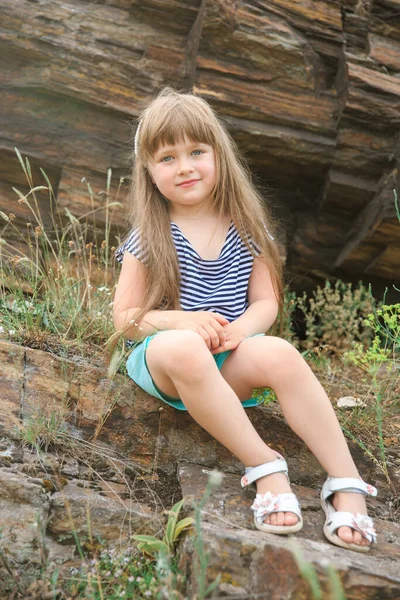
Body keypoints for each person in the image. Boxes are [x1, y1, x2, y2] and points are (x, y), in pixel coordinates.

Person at [113, 87, 377, 552]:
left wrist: (241, 331)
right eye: (167, 158)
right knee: (184, 347)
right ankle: (266, 468)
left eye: (197, 151)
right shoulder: (149, 236)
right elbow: (127, 319)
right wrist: (180, 321)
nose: (186, 167)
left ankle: (346, 481)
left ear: (219, 155)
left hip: (226, 359)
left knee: (280, 352)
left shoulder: (248, 228)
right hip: (167, 362)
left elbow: (266, 303)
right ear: (149, 172)